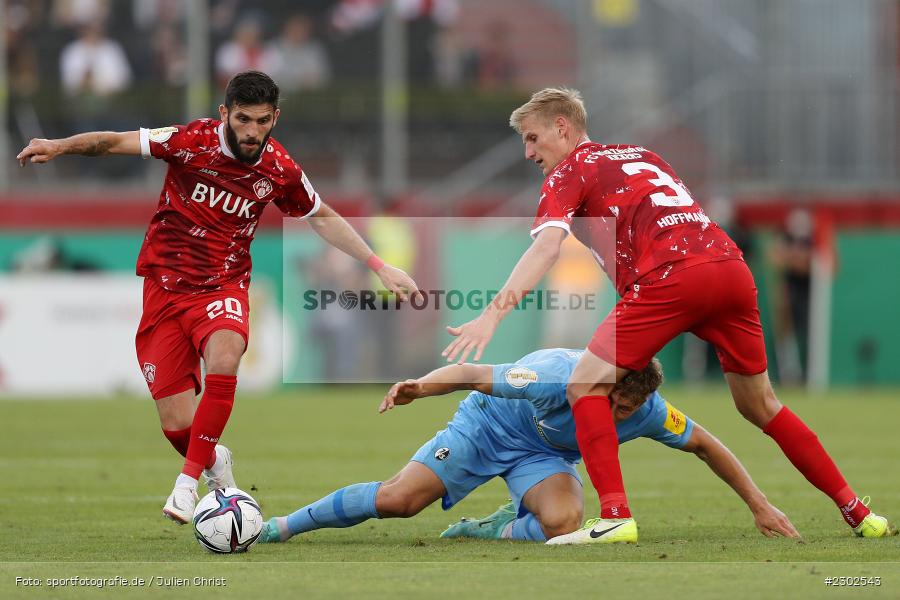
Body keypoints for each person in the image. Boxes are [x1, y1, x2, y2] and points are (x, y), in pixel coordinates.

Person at [441, 87, 895, 543]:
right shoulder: (644, 154)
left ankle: (615, 516)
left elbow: (546, 246)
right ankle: (858, 513)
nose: (528, 151)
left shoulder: (569, 170)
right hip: (730, 270)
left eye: (533, 138)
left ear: (563, 128)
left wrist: (492, 316)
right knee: (761, 405)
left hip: (670, 277)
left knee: (583, 383)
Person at [16, 70, 420, 525]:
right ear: (224, 113)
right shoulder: (190, 141)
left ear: (275, 118)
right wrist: (59, 145)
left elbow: (321, 215)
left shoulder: (279, 168)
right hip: (165, 289)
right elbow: (112, 142)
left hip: (223, 286)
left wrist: (380, 265)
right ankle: (212, 462)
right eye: (243, 119)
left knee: (225, 354)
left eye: (262, 121)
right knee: (176, 426)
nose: (252, 131)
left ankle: (188, 484)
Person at [257, 351, 798, 545]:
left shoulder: (648, 409)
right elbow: (472, 372)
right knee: (400, 501)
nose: (617, 419)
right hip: (488, 427)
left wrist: (759, 504)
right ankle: (280, 526)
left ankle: (494, 527)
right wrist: (420, 386)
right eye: (613, 406)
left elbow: (706, 443)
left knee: (566, 522)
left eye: (626, 413)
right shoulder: (553, 376)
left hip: (542, 458)